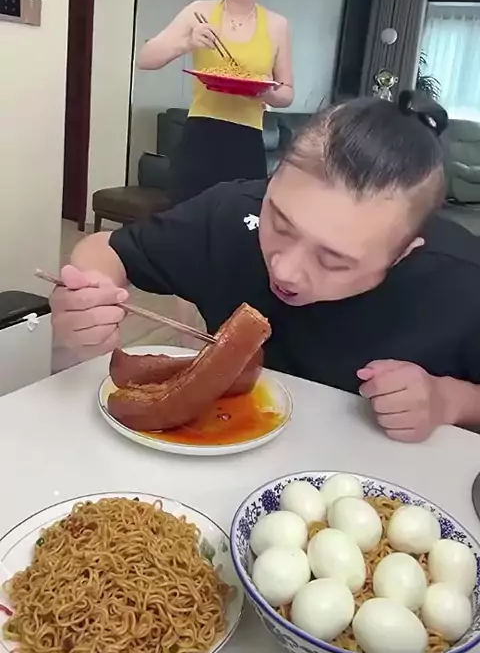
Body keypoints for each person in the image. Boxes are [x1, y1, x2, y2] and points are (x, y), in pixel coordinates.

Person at [51, 91, 480, 444]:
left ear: (402, 254)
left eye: (332, 259)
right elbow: (106, 249)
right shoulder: (232, 212)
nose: (286, 270)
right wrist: (89, 292)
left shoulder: (462, 282)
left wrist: (449, 400)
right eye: (280, 223)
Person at [138, 0, 293, 204]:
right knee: (185, 224)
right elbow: (145, 59)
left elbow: (287, 93)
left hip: (248, 143)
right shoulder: (199, 12)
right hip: (200, 139)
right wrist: (187, 42)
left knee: (238, 226)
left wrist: (264, 92)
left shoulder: (277, 25)